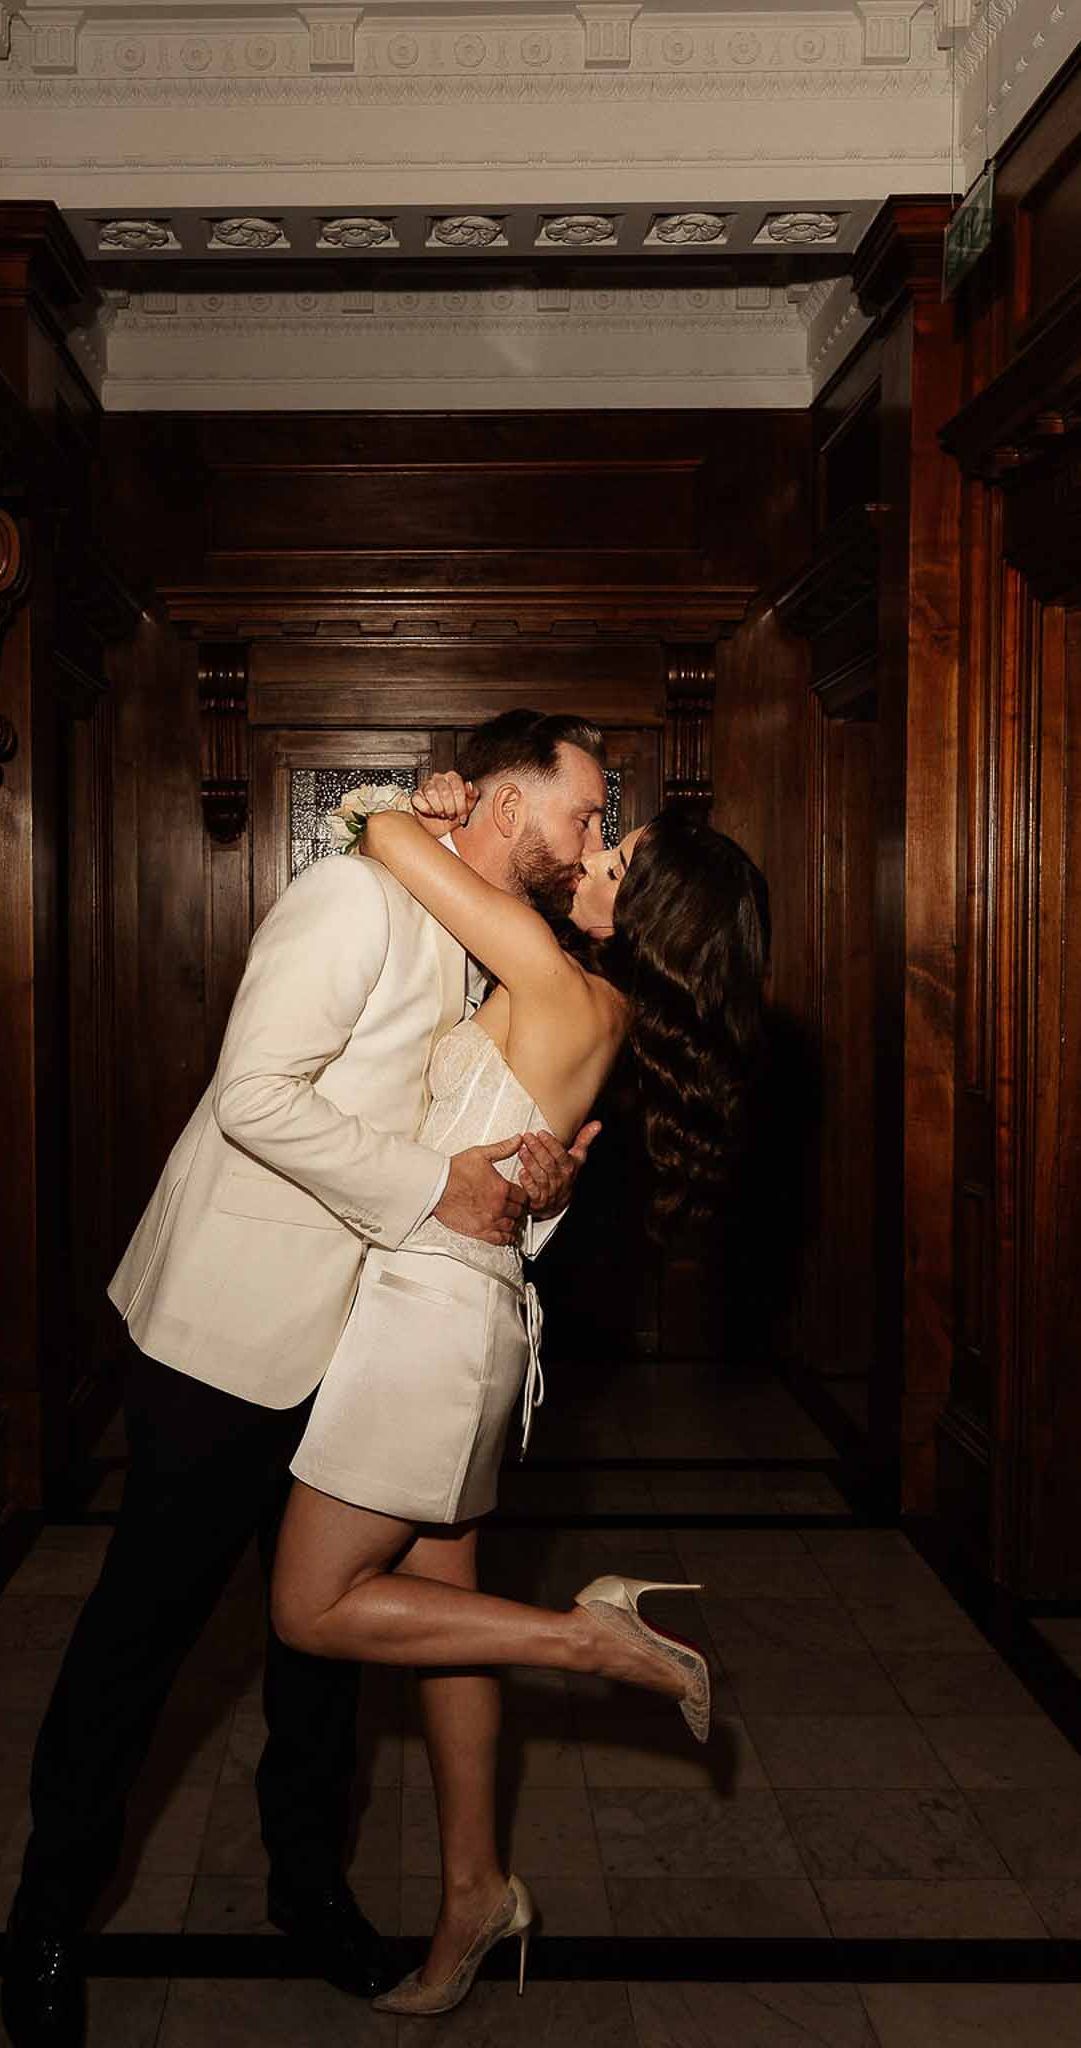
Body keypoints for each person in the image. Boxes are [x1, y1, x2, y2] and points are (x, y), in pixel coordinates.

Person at [0, 711, 609, 2048]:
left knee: (319, 1649)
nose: (587, 847)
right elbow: (252, 1096)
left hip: (370, 1346)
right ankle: (47, 1920)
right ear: (506, 810)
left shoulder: (491, 949)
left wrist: (532, 1189)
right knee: (140, 1637)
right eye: (578, 817)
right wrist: (433, 1186)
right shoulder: (353, 900)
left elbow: (489, 1160)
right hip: (230, 1333)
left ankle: (305, 1891)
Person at [271, 769, 771, 2017]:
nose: (596, 853)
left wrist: (419, 795)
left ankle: (589, 1639)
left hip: (428, 1328)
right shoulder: (596, 1006)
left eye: (620, 850)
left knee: (308, 1606)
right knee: (445, 1629)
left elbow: (378, 831)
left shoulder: (555, 980)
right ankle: (475, 1890)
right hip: (475, 1316)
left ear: (646, 908)